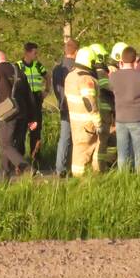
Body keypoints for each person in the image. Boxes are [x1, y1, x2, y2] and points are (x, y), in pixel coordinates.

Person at [0, 50, 33, 178]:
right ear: (5, 58)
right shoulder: (18, 70)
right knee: (10, 144)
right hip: (22, 112)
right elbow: (29, 95)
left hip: (7, 113)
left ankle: (26, 167)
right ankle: (4, 173)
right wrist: (32, 117)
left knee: (5, 144)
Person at [109, 46, 140, 171]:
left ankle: (123, 178)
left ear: (121, 60)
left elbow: (111, 91)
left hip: (120, 118)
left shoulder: (113, 76)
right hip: (137, 118)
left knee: (122, 152)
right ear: (135, 60)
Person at [65, 47, 102, 176]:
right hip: (87, 123)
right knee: (86, 152)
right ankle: (86, 181)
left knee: (78, 151)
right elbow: (89, 102)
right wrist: (98, 121)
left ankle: (77, 180)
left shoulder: (70, 75)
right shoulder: (86, 79)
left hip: (75, 123)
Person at [17, 42, 49, 166]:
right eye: (35, 53)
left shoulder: (38, 65)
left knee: (35, 130)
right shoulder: (18, 66)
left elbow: (47, 76)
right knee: (22, 130)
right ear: (27, 52)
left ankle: (36, 157)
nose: (36, 55)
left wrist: (46, 90)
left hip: (35, 101)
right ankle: (19, 158)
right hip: (23, 101)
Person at [52, 40, 79, 176]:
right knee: (78, 138)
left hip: (62, 105)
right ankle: (73, 166)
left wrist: (60, 100)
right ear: (76, 51)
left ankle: (60, 168)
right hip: (75, 106)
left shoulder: (57, 68)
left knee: (64, 138)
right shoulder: (76, 67)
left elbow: (55, 89)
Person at [89, 44, 115, 170]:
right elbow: (108, 87)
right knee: (103, 140)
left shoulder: (93, 71)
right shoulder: (100, 72)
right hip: (104, 110)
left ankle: (100, 165)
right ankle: (99, 167)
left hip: (100, 110)